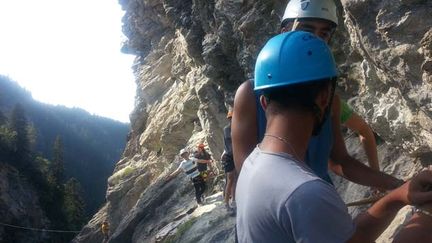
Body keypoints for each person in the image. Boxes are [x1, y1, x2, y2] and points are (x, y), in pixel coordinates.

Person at [236, 30, 432, 243]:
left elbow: (351, 237)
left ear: (264, 102)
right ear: (323, 98)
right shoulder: (304, 192)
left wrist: (399, 195)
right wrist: (426, 217)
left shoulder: (253, 164)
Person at [231, 0, 402, 190]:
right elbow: (247, 171)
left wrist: (398, 186)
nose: (315, 40)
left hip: (319, 199)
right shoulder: (250, 94)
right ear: (284, 31)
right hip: (286, 206)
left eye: (324, 33)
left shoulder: (328, 99)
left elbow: (340, 161)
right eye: (307, 30)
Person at [221, 111, 237, 215]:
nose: (231, 120)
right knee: (230, 179)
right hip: (229, 157)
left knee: (234, 179)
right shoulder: (227, 129)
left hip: (235, 156)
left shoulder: (236, 127)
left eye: (233, 118)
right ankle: (226, 204)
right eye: (230, 118)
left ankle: (234, 201)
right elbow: (231, 142)